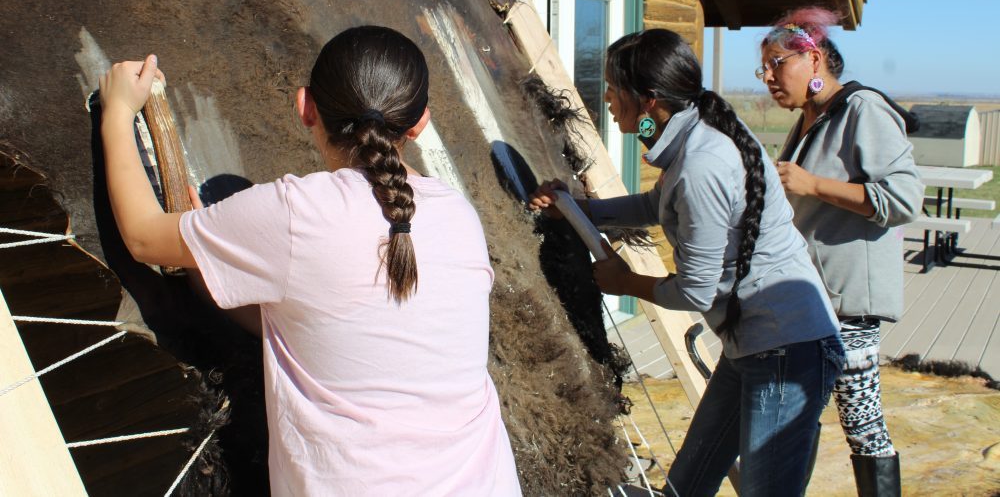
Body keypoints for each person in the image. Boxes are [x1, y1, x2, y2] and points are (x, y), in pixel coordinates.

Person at [100, 26, 520, 496]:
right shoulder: (462, 218)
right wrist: (212, 268)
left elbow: (141, 236)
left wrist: (117, 111)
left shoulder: (296, 212)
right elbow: (330, 329)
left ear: (306, 107)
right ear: (420, 122)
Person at [530, 29, 844, 496]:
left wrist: (628, 283)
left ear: (649, 99)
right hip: (754, 344)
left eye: (614, 89)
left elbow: (696, 291)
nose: (608, 99)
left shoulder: (702, 164)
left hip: (785, 349)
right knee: (688, 484)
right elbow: (658, 206)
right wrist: (576, 208)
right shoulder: (695, 143)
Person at [758, 7, 923, 496]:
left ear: (814, 60)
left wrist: (813, 184)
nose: (768, 77)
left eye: (777, 63)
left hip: (847, 302)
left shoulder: (862, 109)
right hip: (810, 298)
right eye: (762, 68)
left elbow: (903, 199)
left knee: (861, 421)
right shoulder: (811, 120)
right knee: (798, 419)